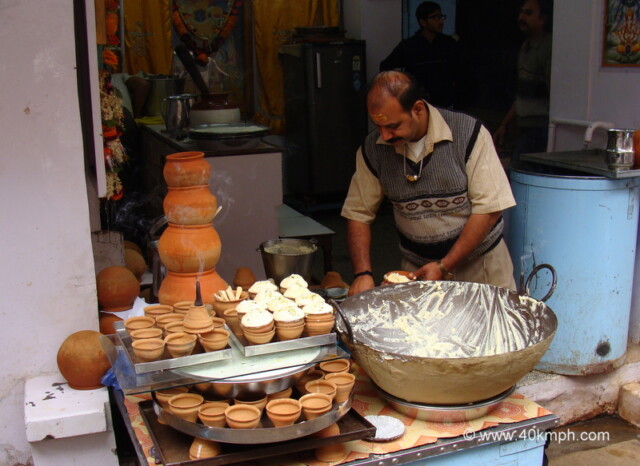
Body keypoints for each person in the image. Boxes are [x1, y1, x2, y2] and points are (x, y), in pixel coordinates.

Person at [342, 71, 517, 296]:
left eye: (393, 126)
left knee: (488, 330)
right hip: (417, 270)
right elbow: (358, 213)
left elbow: (489, 209)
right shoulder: (373, 148)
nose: (384, 136)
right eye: (378, 126)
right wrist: (362, 273)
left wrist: (445, 265)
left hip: (480, 268)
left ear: (417, 109)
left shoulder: (469, 134)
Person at [493, 0, 553, 162]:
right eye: (521, 12)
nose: (521, 17)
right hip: (524, 125)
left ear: (542, 19)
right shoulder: (525, 47)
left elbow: (555, 91)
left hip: (541, 127)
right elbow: (522, 93)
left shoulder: (548, 47)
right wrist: (504, 124)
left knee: (520, 169)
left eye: (528, 13)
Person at [380, 1, 460, 108]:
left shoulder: (448, 43)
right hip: (417, 102)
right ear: (423, 22)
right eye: (435, 17)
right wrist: (401, 85)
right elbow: (385, 66)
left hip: (443, 103)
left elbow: (460, 70)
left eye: (441, 17)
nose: (440, 21)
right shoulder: (409, 45)